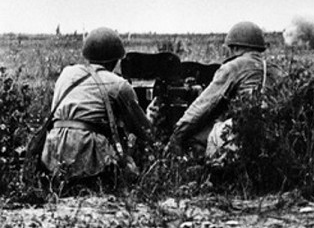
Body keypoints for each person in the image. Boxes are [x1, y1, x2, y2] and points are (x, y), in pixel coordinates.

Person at [41, 27, 154, 188]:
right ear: (116, 60)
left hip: (54, 152)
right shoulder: (118, 85)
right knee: (131, 170)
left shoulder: (66, 74)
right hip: (88, 153)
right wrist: (150, 115)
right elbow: (144, 131)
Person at [166, 21, 285, 163]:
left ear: (235, 47)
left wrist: (177, 134)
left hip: (243, 134)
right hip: (275, 135)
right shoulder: (277, 70)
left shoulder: (234, 67)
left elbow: (204, 105)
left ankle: (203, 177)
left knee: (193, 139)